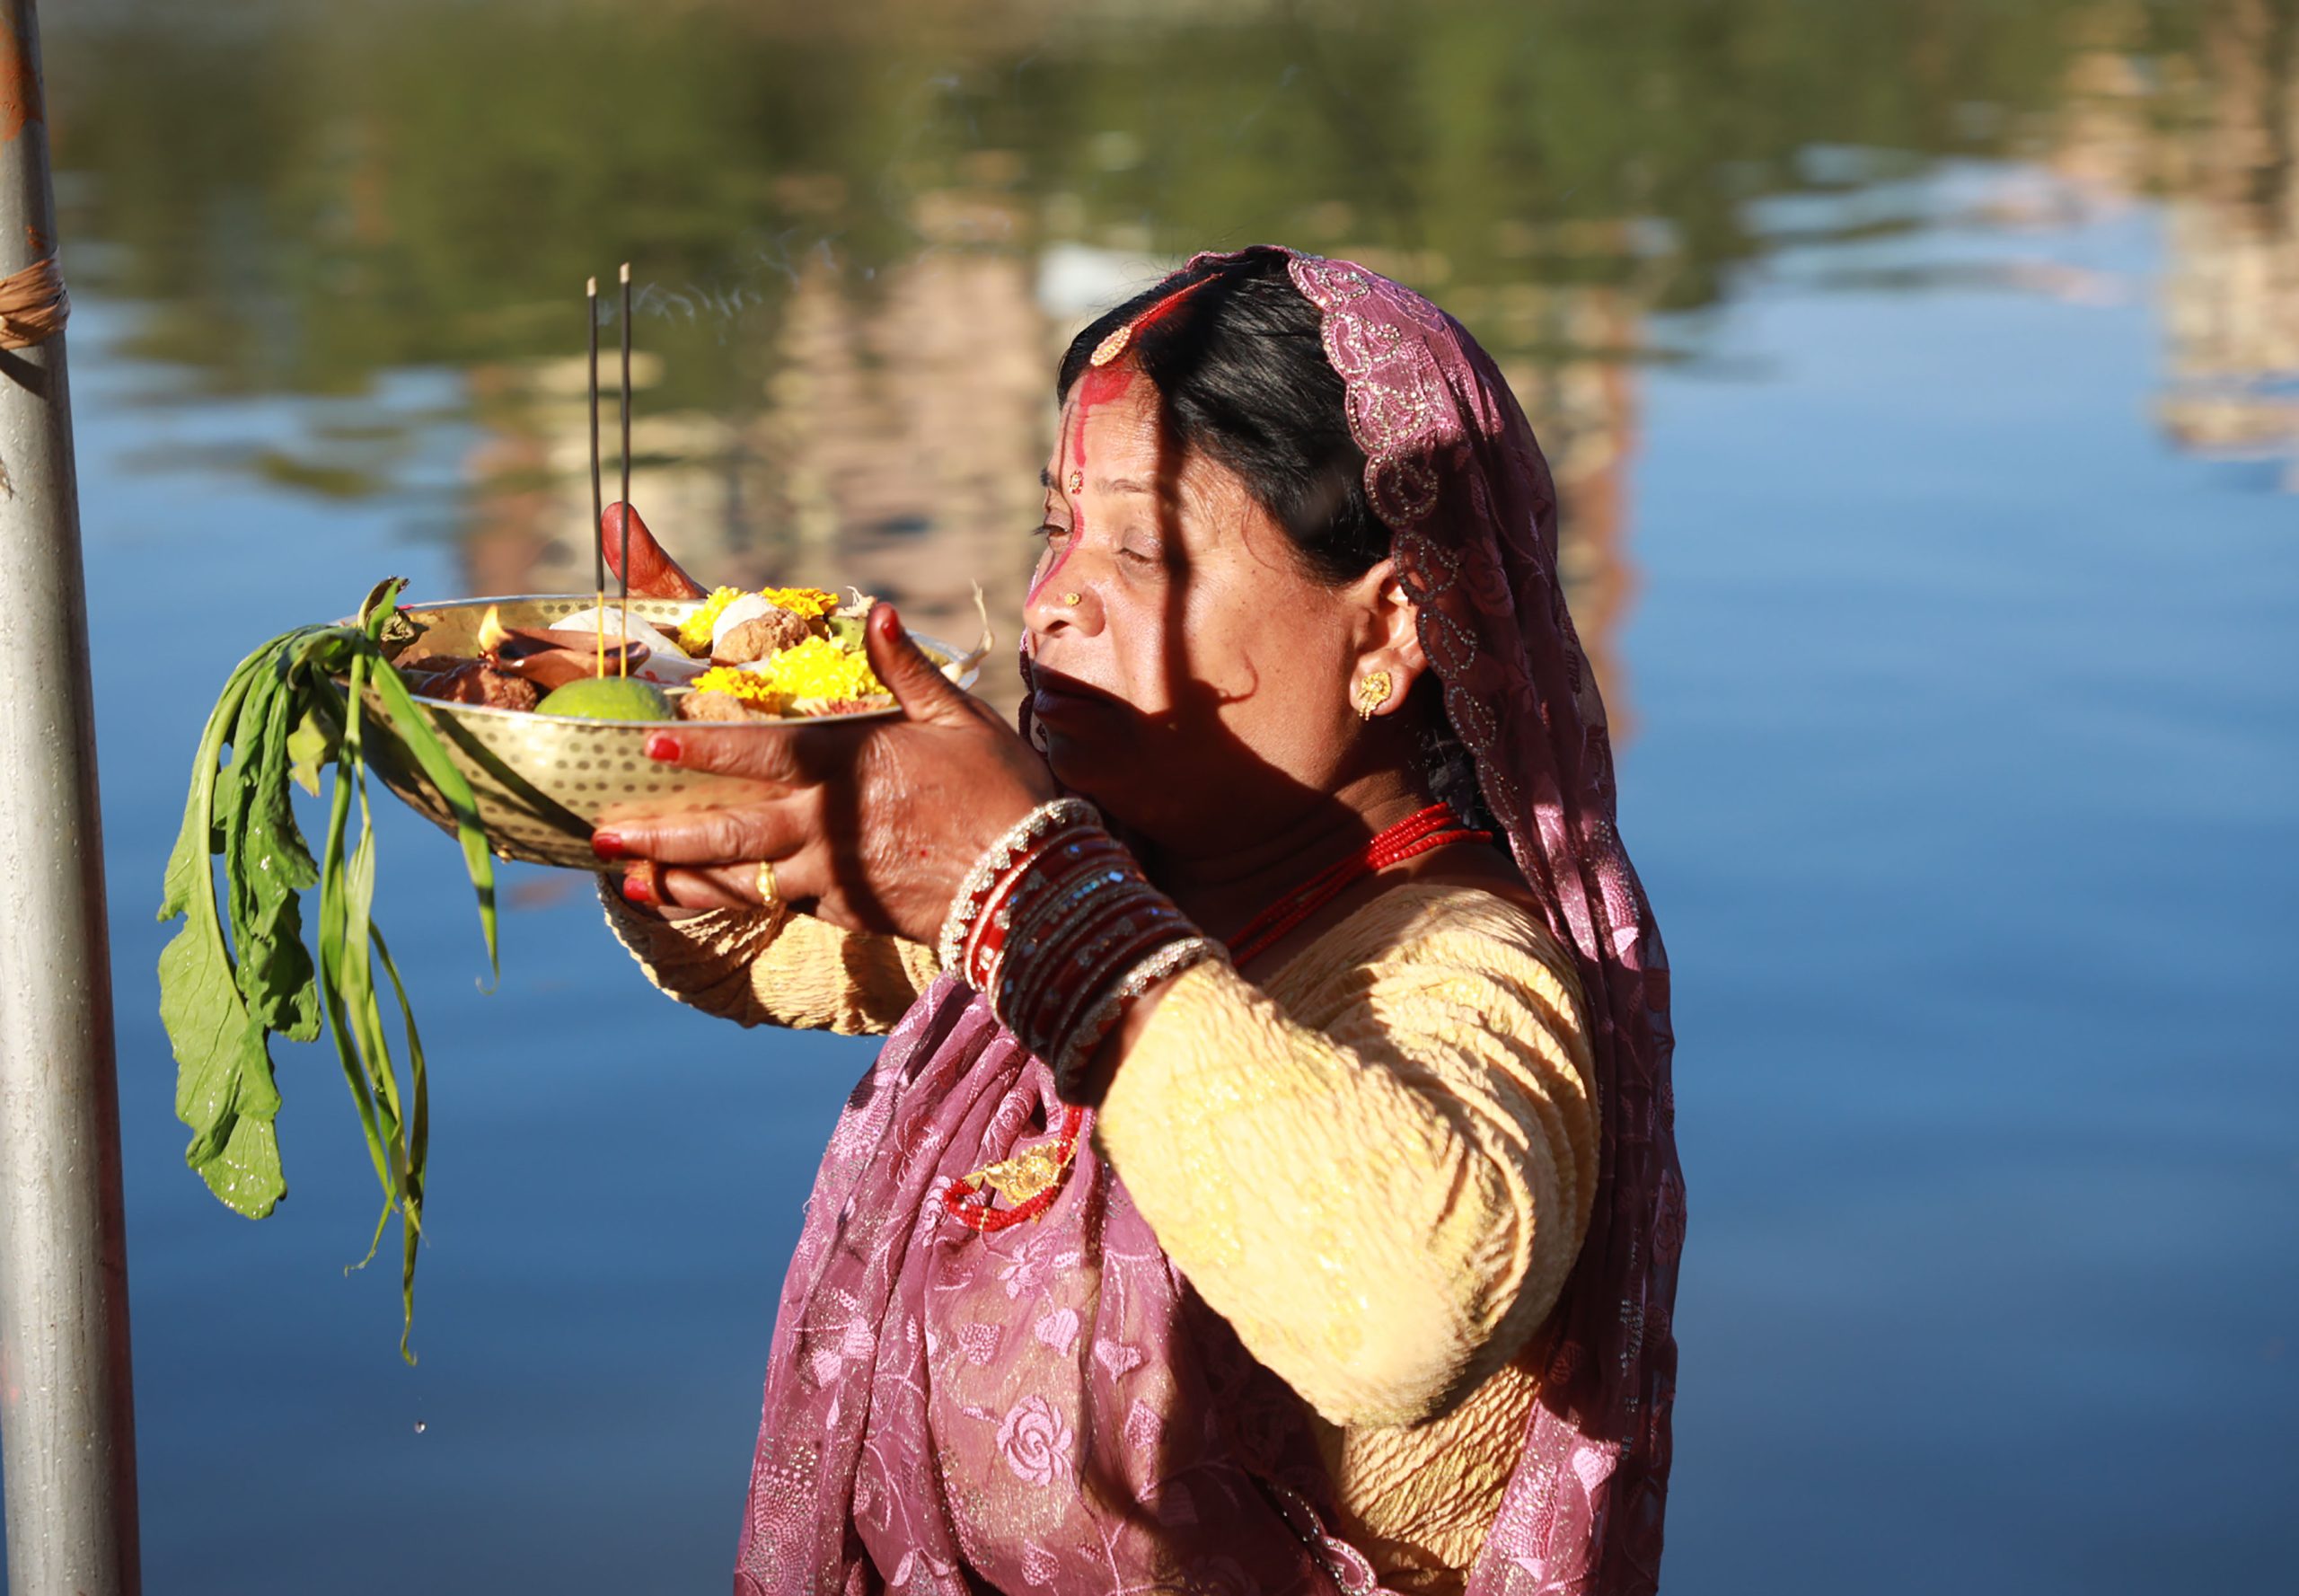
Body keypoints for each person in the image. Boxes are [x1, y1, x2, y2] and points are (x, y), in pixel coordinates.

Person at [589, 246, 1682, 1595]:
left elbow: (1406, 1308)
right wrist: (664, 737)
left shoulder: (1462, 972)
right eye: (1057, 528)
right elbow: (762, 940)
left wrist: (1023, 886)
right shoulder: (1132, 871)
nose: (1053, 600)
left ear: (1390, 626)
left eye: (1142, 549)